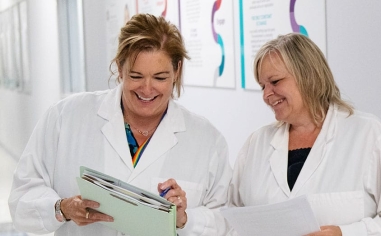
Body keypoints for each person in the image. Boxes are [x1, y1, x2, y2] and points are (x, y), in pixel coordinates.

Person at [9, 13, 232, 235]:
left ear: (177, 71)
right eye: (135, 76)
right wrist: (62, 209)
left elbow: (226, 222)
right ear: (119, 67)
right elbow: (21, 200)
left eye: (160, 78)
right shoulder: (65, 118)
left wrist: (185, 219)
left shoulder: (208, 141)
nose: (146, 89)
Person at [227, 33, 381, 235]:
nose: (266, 95)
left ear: (307, 75)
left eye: (275, 81)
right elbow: (233, 217)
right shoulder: (256, 144)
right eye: (262, 86)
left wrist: (345, 233)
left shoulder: (371, 136)